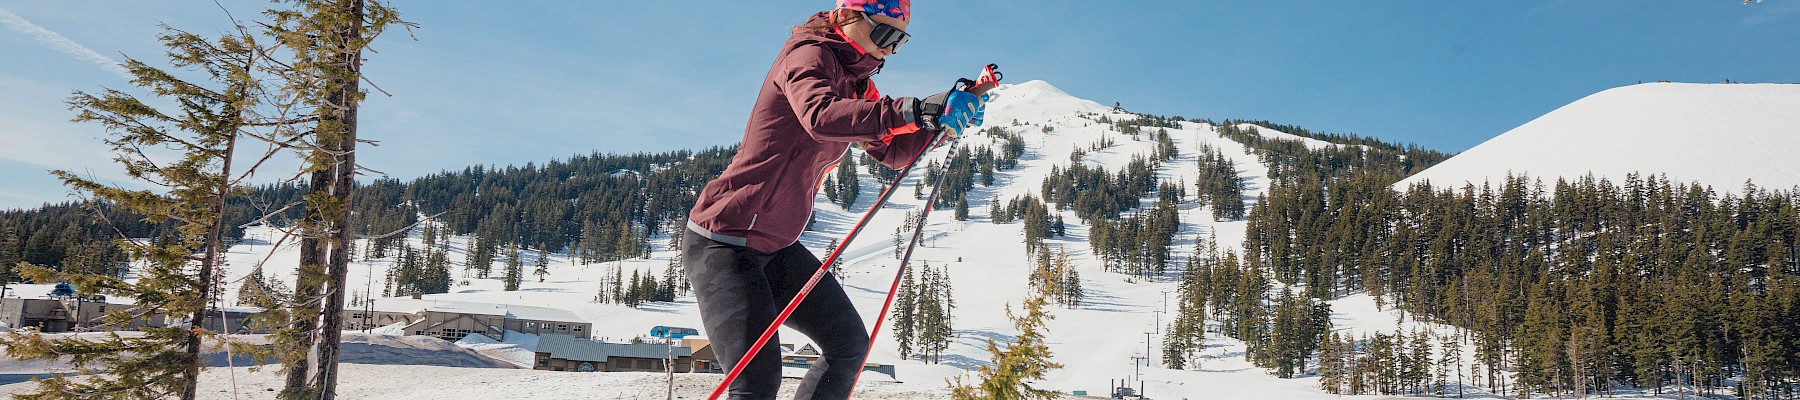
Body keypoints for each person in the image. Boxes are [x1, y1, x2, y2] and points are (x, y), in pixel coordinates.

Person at [681, 1, 986, 398]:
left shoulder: (858, 83)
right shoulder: (808, 55)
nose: (891, 49)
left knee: (848, 347)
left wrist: (940, 124)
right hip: (722, 241)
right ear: (845, 18)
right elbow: (821, 117)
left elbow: (891, 152)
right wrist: (920, 109)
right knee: (755, 383)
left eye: (900, 40)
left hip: (777, 246)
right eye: (884, 34)